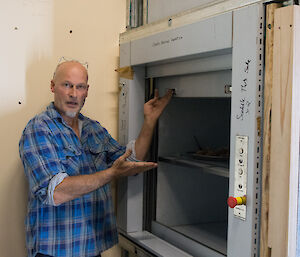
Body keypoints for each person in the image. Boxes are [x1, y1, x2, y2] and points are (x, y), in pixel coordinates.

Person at [19, 60, 172, 257]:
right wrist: (111, 173)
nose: (74, 93)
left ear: (87, 91)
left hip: (90, 247)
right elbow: (55, 192)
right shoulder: (38, 129)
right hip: (56, 251)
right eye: (67, 85)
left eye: (80, 86)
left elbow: (130, 161)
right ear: (52, 86)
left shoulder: (93, 129)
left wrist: (150, 120)